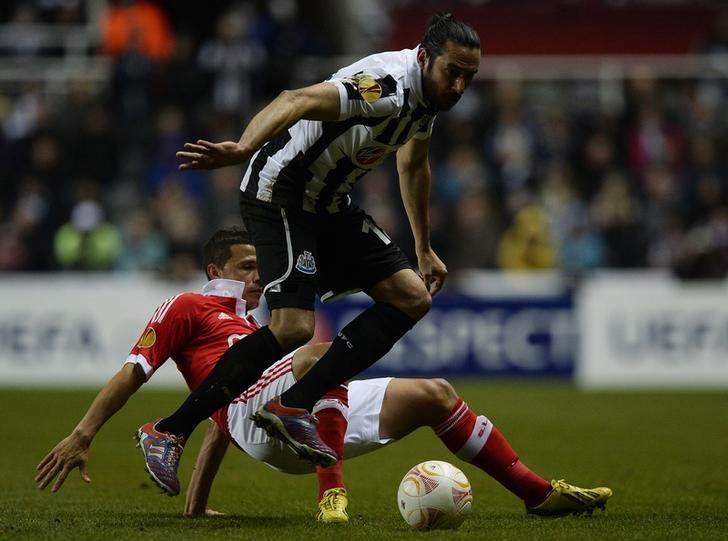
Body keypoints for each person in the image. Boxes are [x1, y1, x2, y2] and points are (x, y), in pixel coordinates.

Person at [35, 227, 612, 522]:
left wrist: (195, 506)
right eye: (247, 267)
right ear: (215, 270)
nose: (259, 276)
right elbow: (133, 372)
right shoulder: (188, 306)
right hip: (265, 413)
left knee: (437, 394)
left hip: (282, 409)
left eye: (263, 265)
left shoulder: (253, 324)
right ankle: (331, 496)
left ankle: (538, 495)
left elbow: (215, 419)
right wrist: (83, 434)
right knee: (317, 351)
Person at [135, 12, 483, 496]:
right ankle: (169, 430)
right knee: (293, 327)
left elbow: (414, 164)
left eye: (469, 76)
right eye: (454, 72)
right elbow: (293, 100)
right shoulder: (383, 85)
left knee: (411, 296)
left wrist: (423, 247)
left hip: (329, 204)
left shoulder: (427, 99)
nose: (461, 85)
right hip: (281, 191)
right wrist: (243, 146)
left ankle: (292, 403)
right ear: (424, 58)